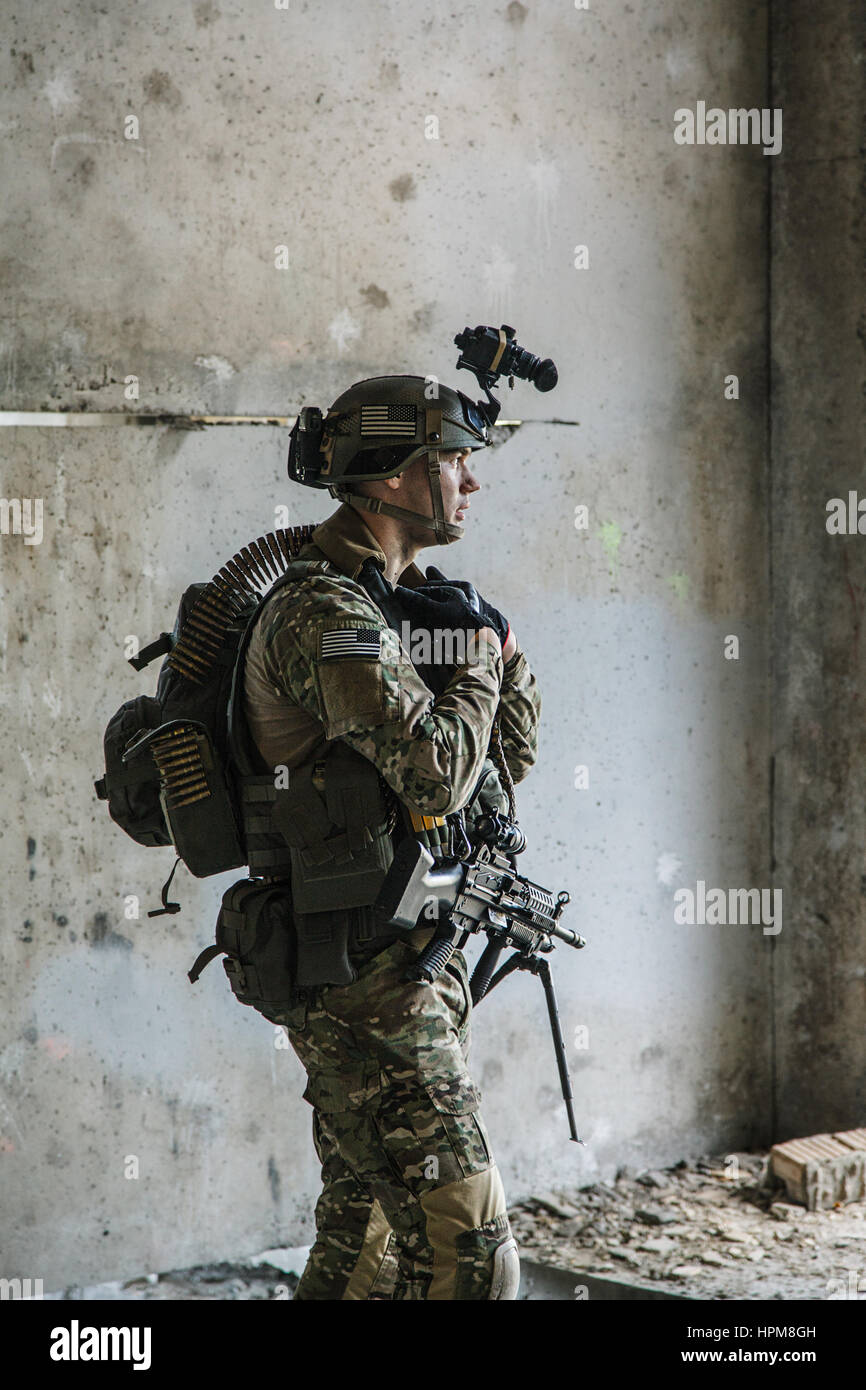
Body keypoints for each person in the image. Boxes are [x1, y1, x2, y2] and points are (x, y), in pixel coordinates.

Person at [241, 375, 542, 1299]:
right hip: (361, 981)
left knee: (364, 1244)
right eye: (454, 461)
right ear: (393, 478)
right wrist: (482, 659)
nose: (471, 482)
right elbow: (433, 773)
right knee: (473, 1258)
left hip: (411, 963)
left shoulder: (404, 605)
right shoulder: (324, 614)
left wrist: (496, 645)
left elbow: (511, 759)